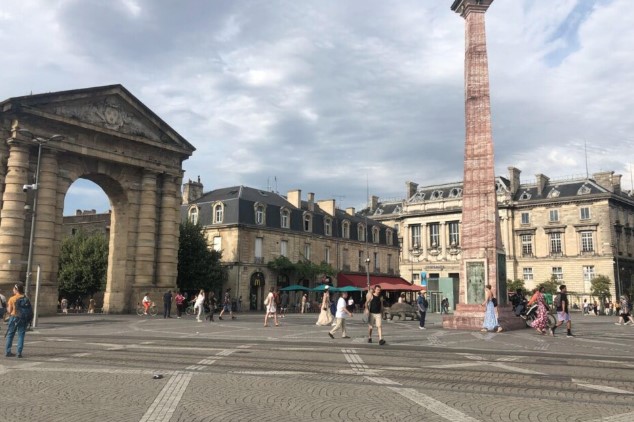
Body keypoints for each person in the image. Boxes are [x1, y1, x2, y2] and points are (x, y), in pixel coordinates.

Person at [5, 283, 28, 358]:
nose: (13, 290)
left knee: (10, 335)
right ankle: (19, 353)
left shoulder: (12, 298)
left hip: (14, 317)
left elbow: (9, 311)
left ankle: (8, 351)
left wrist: (7, 307)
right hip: (22, 318)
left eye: (13, 289)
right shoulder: (25, 298)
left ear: (16, 289)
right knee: (21, 335)